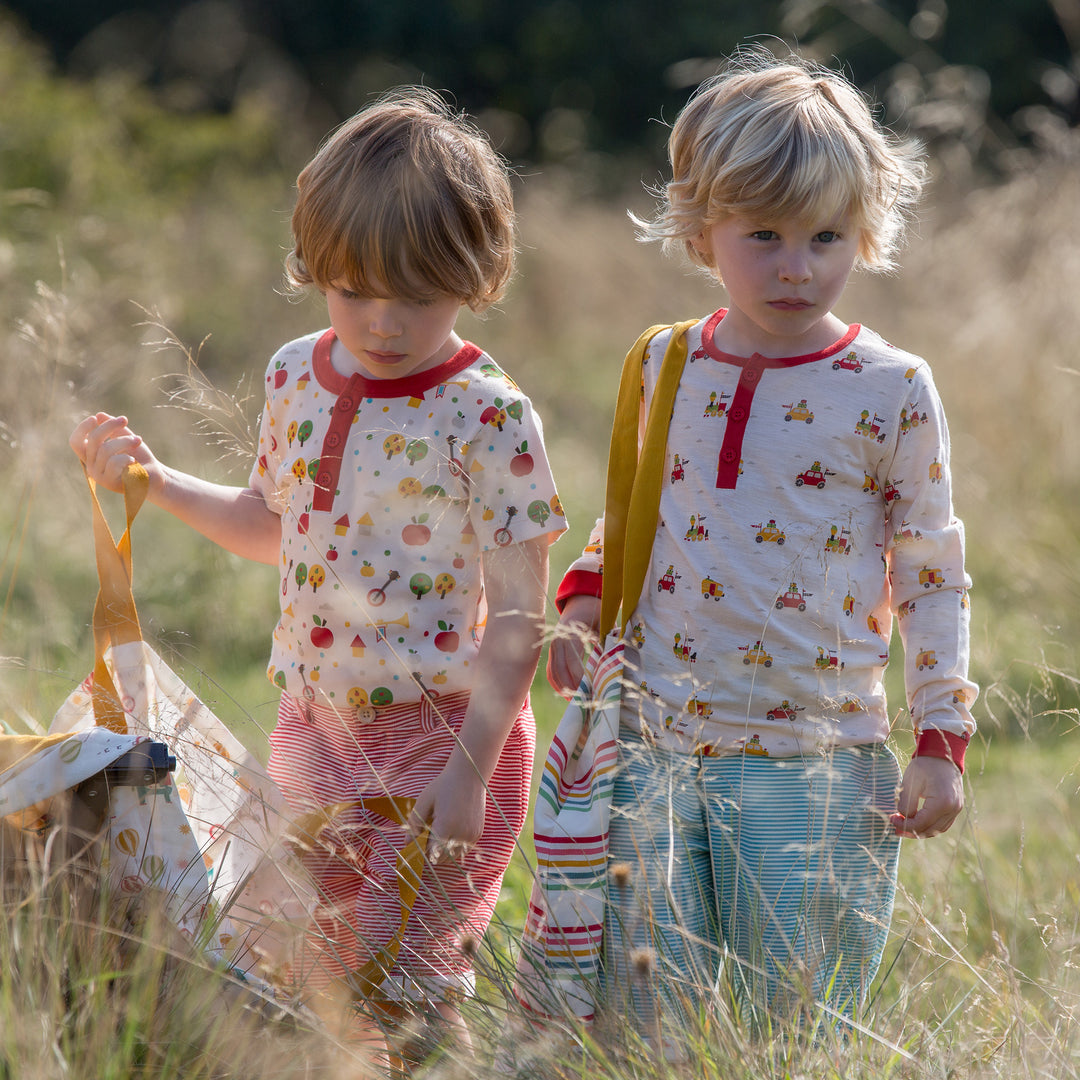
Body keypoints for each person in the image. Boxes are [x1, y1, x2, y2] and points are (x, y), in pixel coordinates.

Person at [71, 88, 564, 1059]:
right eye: (352, 289)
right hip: (315, 726)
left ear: (474, 275)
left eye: (416, 295)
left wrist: (469, 772)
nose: (381, 321)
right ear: (315, 273)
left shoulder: (490, 415)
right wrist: (156, 481)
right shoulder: (300, 372)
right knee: (312, 972)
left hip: (445, 737)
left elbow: (518, 612)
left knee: (412, 984)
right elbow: (271, 527)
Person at [545, 50, 977, 1043]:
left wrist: (942, 741)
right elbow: (638, 510)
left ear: (864, 231)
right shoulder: (664, 363)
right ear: (703, 232)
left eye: (826, 236)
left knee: (795, 1021)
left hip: (816, 752)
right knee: (652, 1015)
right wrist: (580, 601)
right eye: (765, 235)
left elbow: (932, 571)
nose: (797, 265)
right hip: (655, 743)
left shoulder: (893, 388)